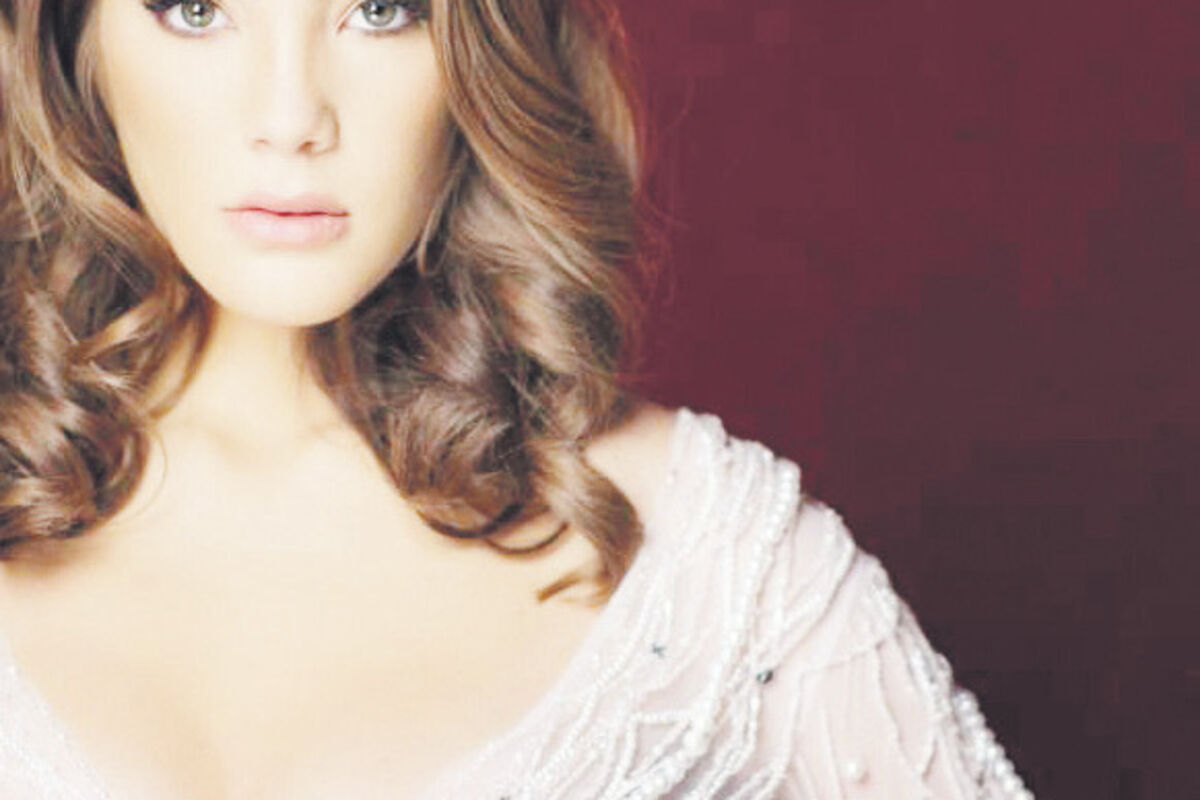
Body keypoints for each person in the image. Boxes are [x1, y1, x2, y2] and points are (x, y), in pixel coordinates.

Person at [0, 0, 1033, 797]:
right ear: (73, 44)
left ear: (483, 52)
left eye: (383, 9)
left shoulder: (714, 563)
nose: (290, 118)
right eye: (194, 8)